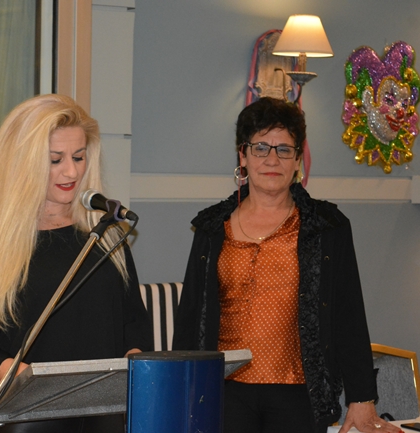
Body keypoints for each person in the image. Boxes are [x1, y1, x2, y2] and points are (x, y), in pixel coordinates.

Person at [172, 97, 401, 433]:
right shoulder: (210, 228)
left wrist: (362, 397)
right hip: (223, 393)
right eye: (260, 148)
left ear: (297, 160)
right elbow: (190, 316)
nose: (272, 160)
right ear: (242, 156)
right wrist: (179, 391)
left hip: (298, 395)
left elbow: (348, 314)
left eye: (284, 149)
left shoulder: (327, 227)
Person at [0, 94, 152, 433]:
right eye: (55, 160)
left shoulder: (105, 236)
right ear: (22, 163)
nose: (72, 171)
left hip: (102, 417)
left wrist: (134, 370)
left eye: (78, 156)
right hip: (28, 418)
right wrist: (38, 384)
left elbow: (133, 325)